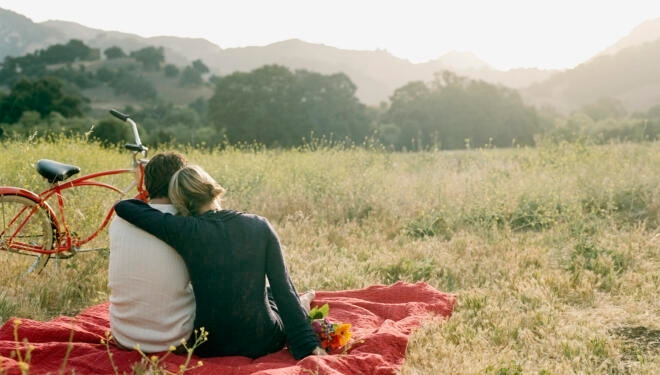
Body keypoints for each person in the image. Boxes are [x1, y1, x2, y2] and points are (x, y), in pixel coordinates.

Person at [114, 165, 326, 359]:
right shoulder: (260, 226)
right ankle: (304, 302)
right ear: (212, 188)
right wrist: (309, 346)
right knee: (275, 294)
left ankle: (304, 300)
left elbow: (124, 206)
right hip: (262, 340)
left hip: (209, 345)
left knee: (269, 295)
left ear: (181, 202)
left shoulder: (184, 230)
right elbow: (284, 291)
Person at [108, 152, 195, 353]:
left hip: (123, 336)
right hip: (176, 340)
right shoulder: (187, 226)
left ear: (147, 183)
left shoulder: (120, 221)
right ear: (181, 183)